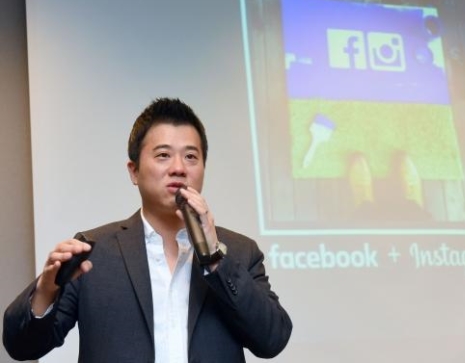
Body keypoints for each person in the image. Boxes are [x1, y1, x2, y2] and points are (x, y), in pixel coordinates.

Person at [3, 97, 293, 362]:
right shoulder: (94, 252)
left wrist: (215, 258)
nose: (179, 168)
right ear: (134, 171)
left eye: (191, 157)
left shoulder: (240, 251)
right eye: (163, 155)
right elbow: (21, 346)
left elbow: (272, 340)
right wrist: (46, 291)